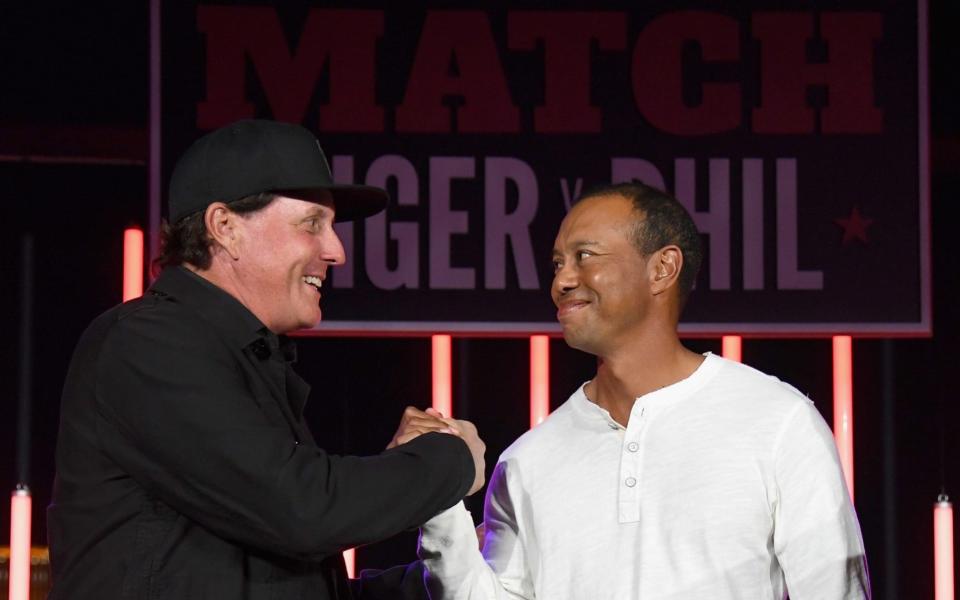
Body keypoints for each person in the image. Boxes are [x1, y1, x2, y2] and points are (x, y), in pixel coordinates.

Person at [47, 119, 485, 600]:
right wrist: (452, 458)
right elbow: (304, 509)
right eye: (311, 224)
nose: (336, 250)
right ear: (225, 227)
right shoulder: (147, 342)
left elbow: (284, 563)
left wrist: (447, 579)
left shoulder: (244, 360)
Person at [418, 182, 870, 598]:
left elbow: (834, 589)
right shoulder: (528, 459)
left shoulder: (777, 421)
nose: (561, 281)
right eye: (557, 263)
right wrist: (438, 500)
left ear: (662, 268)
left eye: (585, 256)